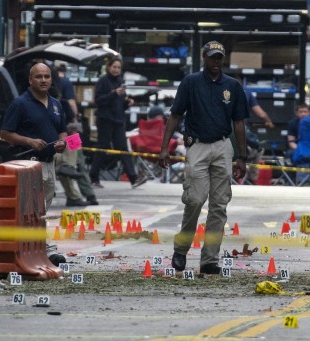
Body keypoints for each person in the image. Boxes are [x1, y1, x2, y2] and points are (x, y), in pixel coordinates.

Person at [157, 41, 249, 275]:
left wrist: (242, 156)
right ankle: (181, 248)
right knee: (195, 200)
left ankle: (210, 259)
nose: (216, 62)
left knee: (219, 205)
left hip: (222, 146)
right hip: (197, 146)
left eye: (220, 58)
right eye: (212, 58)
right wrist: (164, 148)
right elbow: (175, 114)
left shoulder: (232, 86)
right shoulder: (191, 82)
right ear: (204, 58)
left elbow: (239, 122)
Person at [0, 62, 68, 265]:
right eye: (39, 76)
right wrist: (28, 141)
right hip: (28, 164)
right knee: (28, 210)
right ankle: (28, 248)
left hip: (49, 164)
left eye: (47, 76)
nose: (44, 80)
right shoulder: (20, 103)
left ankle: (41, 248)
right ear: (30, 80)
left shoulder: (56, 104)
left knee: (43, 210)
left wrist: (63, 142)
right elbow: (5, 134)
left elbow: (62, 129)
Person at [89, 57, 148, 189]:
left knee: (123, 149)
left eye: (118, 68)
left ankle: (134, 179)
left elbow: (119, 104)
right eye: (114, 67)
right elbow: (99, 100)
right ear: (109, 67)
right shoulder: (103, 81)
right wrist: (113, 93)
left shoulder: (120, 82)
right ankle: (94, 177)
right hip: (105, 120)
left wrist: (127, 103)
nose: (116, 70)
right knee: (102, 148)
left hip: (118, 120)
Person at [52, 63, 98, 206]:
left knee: (66, 166)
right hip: (71, 133)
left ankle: (76, 195)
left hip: (58, 135)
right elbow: (72, 106)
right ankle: (88, 195)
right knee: (79, 165)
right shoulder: (65, 86)